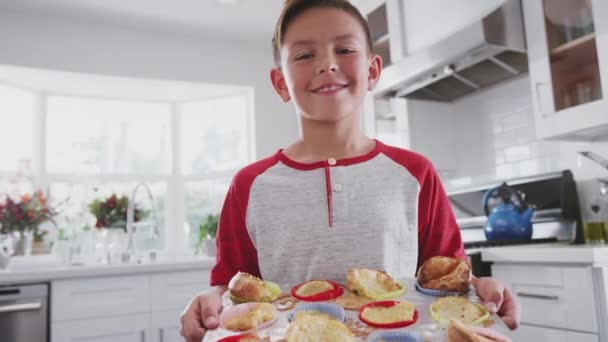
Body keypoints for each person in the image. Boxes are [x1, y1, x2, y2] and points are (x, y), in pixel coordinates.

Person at [180, 1, 520, 340]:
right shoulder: (249, 185)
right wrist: (209, 299)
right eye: (304, 55)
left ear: (372, 71)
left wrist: (481, 287)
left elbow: (450, 279)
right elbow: (231, 289)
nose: (327, 64)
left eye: (343, 49)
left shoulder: (416, 174)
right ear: (281, 82)